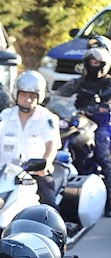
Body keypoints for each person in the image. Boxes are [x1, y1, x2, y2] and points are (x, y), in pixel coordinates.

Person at [0, 71, 60, 208]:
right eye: (24, 94)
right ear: (16, 94)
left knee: (48, 209)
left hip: (34, 176)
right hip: (3, 176)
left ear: (40, 96)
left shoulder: (47, 118)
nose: (27, 99)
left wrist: (46, 163)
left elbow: (51, 145)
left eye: (32, 96)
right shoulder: (5, 116)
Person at [53, 45, 111, 216]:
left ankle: (109, 202)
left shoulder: (108, 83)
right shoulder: (79, 81)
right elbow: (59, 95)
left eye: (97, 62)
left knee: (103, 155)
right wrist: (53, 102)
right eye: (91, 61)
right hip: (77, 122)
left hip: (101, 124)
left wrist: (103, 107)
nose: (94, 65)